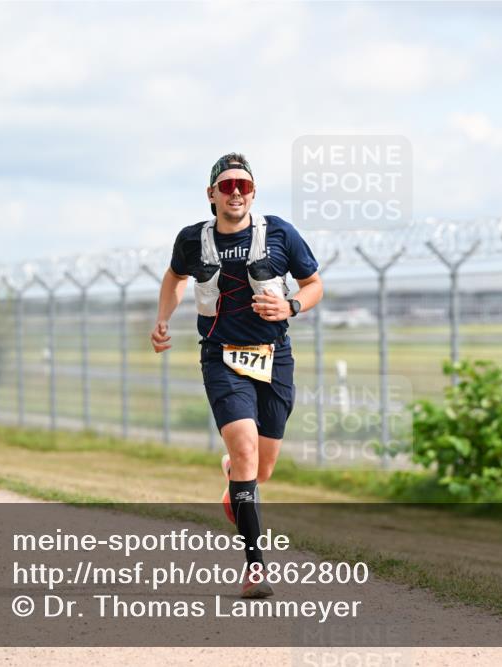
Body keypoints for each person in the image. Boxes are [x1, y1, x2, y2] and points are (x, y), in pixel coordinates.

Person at [150, 153, 323, 599]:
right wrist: (163, 320)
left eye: (242, 185)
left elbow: (314, 284)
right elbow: (174, 278)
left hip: (274, 356)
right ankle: (255, 567)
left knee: (261, 468)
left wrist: (291, 306)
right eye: (226, 186)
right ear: (211, 195)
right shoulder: (192, 239)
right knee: (245, 448)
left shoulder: (279, 232)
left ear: (253, 192)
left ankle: (236, 479)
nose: (235, 193)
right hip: (221, 358)